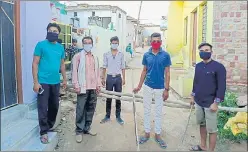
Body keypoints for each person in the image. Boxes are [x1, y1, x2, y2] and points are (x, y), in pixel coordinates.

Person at [133, 32, 171, 149]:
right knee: (147, 110)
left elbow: (167, 72)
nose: (156, 43)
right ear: (150, 42)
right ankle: (147, 133)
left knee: (158, 112)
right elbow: (144, 71)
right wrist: (139, 86)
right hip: (148, 86)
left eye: (158, 41)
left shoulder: (165, 55)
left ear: (161, 42)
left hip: (160, 88)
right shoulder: (146, 55)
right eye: (154, 41)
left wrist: (167, 89)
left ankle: (158, 135)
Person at [32, 23, 67, 144]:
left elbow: (62, 64)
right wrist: (36, 82)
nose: (53, 32)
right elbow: (35, 63)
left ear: (58, 33)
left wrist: (65, 79)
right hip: (43, 82)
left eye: (55, 31)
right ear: (47, 32)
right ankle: (43, 132)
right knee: (42, 107)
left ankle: (49, 126)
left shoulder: (60, 48)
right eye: (50, 30)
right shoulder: (41, 45)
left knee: (54, 106)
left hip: (55, 82)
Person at [190, 42, 226, 151]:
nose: (204, 52)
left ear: (211, 52)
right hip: (199, 101)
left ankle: (211, 150)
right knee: (202, 124)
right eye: (202, 51)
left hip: (210, 103)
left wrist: (216, 102)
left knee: (212, 129)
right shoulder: (199, 66)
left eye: (207, 50)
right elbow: (196, 83)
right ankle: (202, 146)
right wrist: (192, 96)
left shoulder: (219, 67)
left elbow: (222, 87)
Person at [72, 36, 101, 143]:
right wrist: (76, 85)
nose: (87, 45)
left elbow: (97, 73)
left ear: (92, 44)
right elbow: (74, 71)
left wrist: (98, 85)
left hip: (93, 87)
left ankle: (87, 128)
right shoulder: (78, 56)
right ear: (83, 44)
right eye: (85, 43)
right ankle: (79, 131)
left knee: (90, 108)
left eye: (89, 43)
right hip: (82, 87)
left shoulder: (95, 57)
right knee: (80, 109)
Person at [100, 36, 126, 125]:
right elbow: (104, 66)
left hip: (118, 78)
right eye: (113, 43)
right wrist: (103, 78)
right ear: (110, 43)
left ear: (118, 44)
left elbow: (123, 67)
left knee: (118, 97)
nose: (114, 44)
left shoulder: (121, 54)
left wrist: (124, 78)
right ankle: (107, 116)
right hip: (109, 78)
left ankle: (118, 116)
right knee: (109, 97)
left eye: (116, 43)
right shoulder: (106, 54)